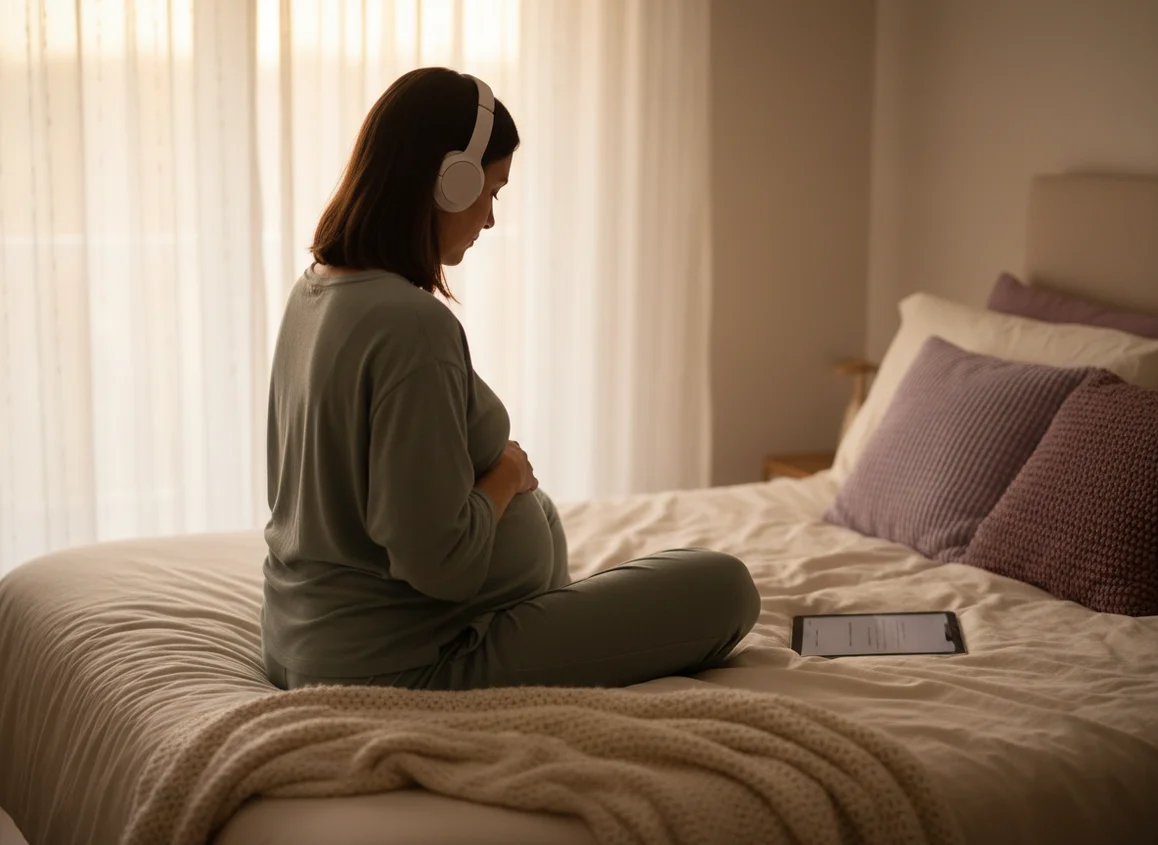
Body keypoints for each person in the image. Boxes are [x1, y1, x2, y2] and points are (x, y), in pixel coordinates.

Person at [261, 67, 760, 691]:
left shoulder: (314, 289)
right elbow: (436, 561)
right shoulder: (411, 326)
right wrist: (504, 479)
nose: (490, 218)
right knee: (723, 586)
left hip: (307, 639)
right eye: (491, 191)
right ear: (450, 181)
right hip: (406, 658)